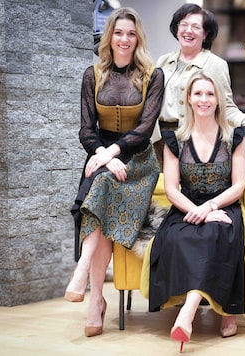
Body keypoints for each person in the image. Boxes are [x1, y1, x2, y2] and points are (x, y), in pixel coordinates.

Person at [66, 7, 164, 338]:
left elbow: (145, 129)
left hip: (136, 157)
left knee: (101, 188)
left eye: (131, 34)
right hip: (101, 155)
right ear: (110, 36)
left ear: (138, 39)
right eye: (119, 33)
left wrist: (110, 153)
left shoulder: (153, 75)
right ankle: (96, 300)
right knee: (98, 191)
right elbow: (86, 129)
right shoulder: (92, 75)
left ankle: (86, 281)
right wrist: (100, 154)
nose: (125, 39)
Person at [147, 70, 245, 352]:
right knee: (182, 237)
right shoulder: (174, 140)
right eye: (198, 93)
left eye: (210, 94)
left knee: (217, 231)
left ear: (218, 100)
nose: (204, 99)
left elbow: (239, 185)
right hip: (185, 207)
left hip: (223, 204)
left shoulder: (234, 138)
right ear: (189, 98)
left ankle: (190, 312)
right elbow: (171, 189)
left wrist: (210, 207)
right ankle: (213, 311)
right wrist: (197, 210)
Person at [152, 3, 245, 165]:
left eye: (196, 27)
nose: (188, 31)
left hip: (193, 141)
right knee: (163, 188)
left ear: (206, 33)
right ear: (176, 28)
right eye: (184, 25)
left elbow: (227, 107)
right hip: (160, 141)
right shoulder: (164, 61)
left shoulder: (216, 65)